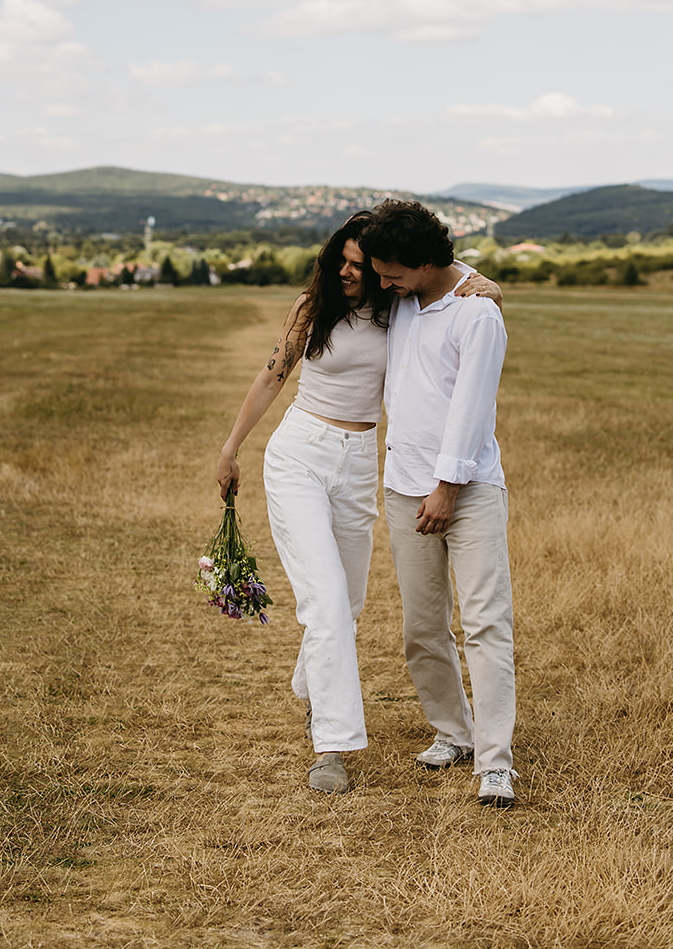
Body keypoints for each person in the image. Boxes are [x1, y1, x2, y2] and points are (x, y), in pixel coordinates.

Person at [216, 211, 500, 796]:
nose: (348, 272)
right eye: (340, 261)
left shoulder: (398, 308)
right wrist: (230, 447)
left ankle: (317, 685)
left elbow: (450, 292)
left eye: (358, 265)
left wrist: (493, 288)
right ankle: (333, 745)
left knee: (346, 604)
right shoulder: (310, 306)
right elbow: (273, 375)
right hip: (299, 453)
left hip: (358, 463)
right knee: (324, 603)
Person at [359, 199, 515, 809]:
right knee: (422, 627)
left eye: (391, 270)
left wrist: (446, 489)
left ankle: (496, 764)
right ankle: (454, 733)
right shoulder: (398, 300)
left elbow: (471, 409)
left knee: (485, 624)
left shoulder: (477, 314)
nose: (382, 281)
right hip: (402, 486)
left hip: (468, 490)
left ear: (426, 262)